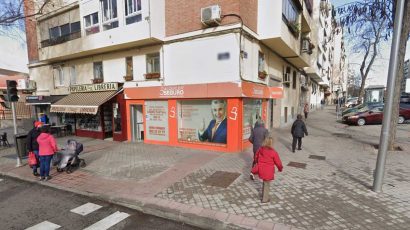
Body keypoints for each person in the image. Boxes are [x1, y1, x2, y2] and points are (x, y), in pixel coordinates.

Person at [251, 135, 283, 203]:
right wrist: (280, 168)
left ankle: (263, 195)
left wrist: (257, 162)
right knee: (267, 184)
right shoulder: (273, 152)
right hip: (268, 171)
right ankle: (265, 199)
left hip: (261, 169)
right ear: (271, 143)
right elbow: (278, 163)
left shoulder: (260, 149)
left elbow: (256, 157)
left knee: (265, 182)